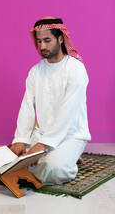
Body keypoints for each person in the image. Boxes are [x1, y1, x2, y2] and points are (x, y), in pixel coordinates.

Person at [10, 16, 91, 185]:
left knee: (55, 170)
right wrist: (20, 139)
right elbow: (27, 106)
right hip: (42, 132)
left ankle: (66, 157)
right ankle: (63, 156)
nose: (42, 47)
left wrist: (43, 145)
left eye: (47, 40)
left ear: (61, 38)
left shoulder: (76, 69)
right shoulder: (35, 71)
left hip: (71, 134)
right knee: (12, 161)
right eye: (39, 41)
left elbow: (68, 112)